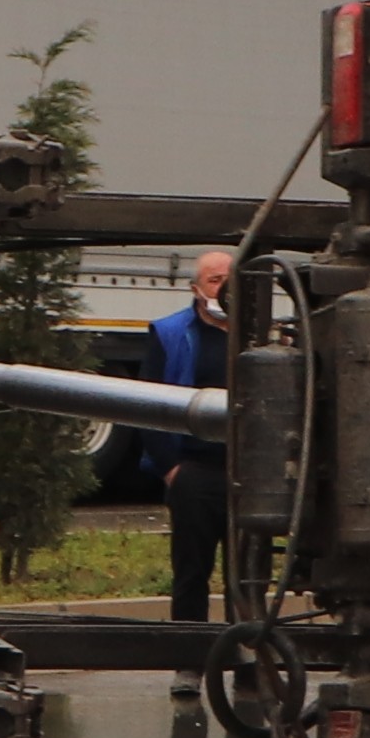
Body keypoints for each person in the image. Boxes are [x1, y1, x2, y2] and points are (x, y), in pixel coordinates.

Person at [141, 247, 240, 631]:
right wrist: (172, 469)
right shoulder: (170, 333)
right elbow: (147, 406)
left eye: (231, 280)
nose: (224, 289)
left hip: (249, 474)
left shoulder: (266, 334)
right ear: (196, 288)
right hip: (195, 473)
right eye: (215, 280)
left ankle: (248, 662)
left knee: (247, 576)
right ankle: (189, 661)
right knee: (191, 572)